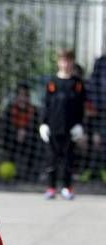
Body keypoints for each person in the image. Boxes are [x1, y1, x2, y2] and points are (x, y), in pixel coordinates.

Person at [39, 48, 86, 200]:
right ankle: (51, 187)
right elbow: (46, 104)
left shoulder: (77, 83)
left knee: (68, 160)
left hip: (70, 128)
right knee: (51, 159)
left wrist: (80, 125)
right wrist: (43, 124)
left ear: (72, 62)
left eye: (68, 60)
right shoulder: (52, 82)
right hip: (53, 127)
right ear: (59, 62)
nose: (65, 64)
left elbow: (81, 106)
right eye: (63, 60)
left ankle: (67, 187)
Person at [0, 82, 40, 181]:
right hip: (11, 139)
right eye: (21, 95)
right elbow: (3, 127)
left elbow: (36, 128)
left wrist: (25, 132)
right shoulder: (9, 109)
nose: (23, 99)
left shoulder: (34, 111)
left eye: (25, 96)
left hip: (28, 140)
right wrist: (16, 132)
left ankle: (30, 174)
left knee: (35, 145)